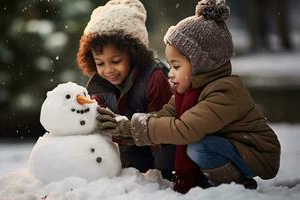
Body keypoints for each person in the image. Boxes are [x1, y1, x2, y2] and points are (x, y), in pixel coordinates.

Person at [96, 0, 281, 193]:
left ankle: (236, 185)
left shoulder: (224, 92)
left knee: (198, 147)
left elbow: (185, 129)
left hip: (255, 152)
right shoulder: (189, 92)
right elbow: (164, 116)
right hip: (230, 146)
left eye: (176, 66)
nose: (170, 72)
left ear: (200, 64)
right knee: (199, 145)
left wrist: (133, 127)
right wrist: (125, 128)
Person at [76, 0, 174, 180]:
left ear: (134, 53)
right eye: (100, 63)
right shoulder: (99, 87)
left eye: (115, 61)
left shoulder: (154, 78)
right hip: (129, 150)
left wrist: (165, 173)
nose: (108, 70)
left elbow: (164, 127)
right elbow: (103, 129)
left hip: (162, 148)